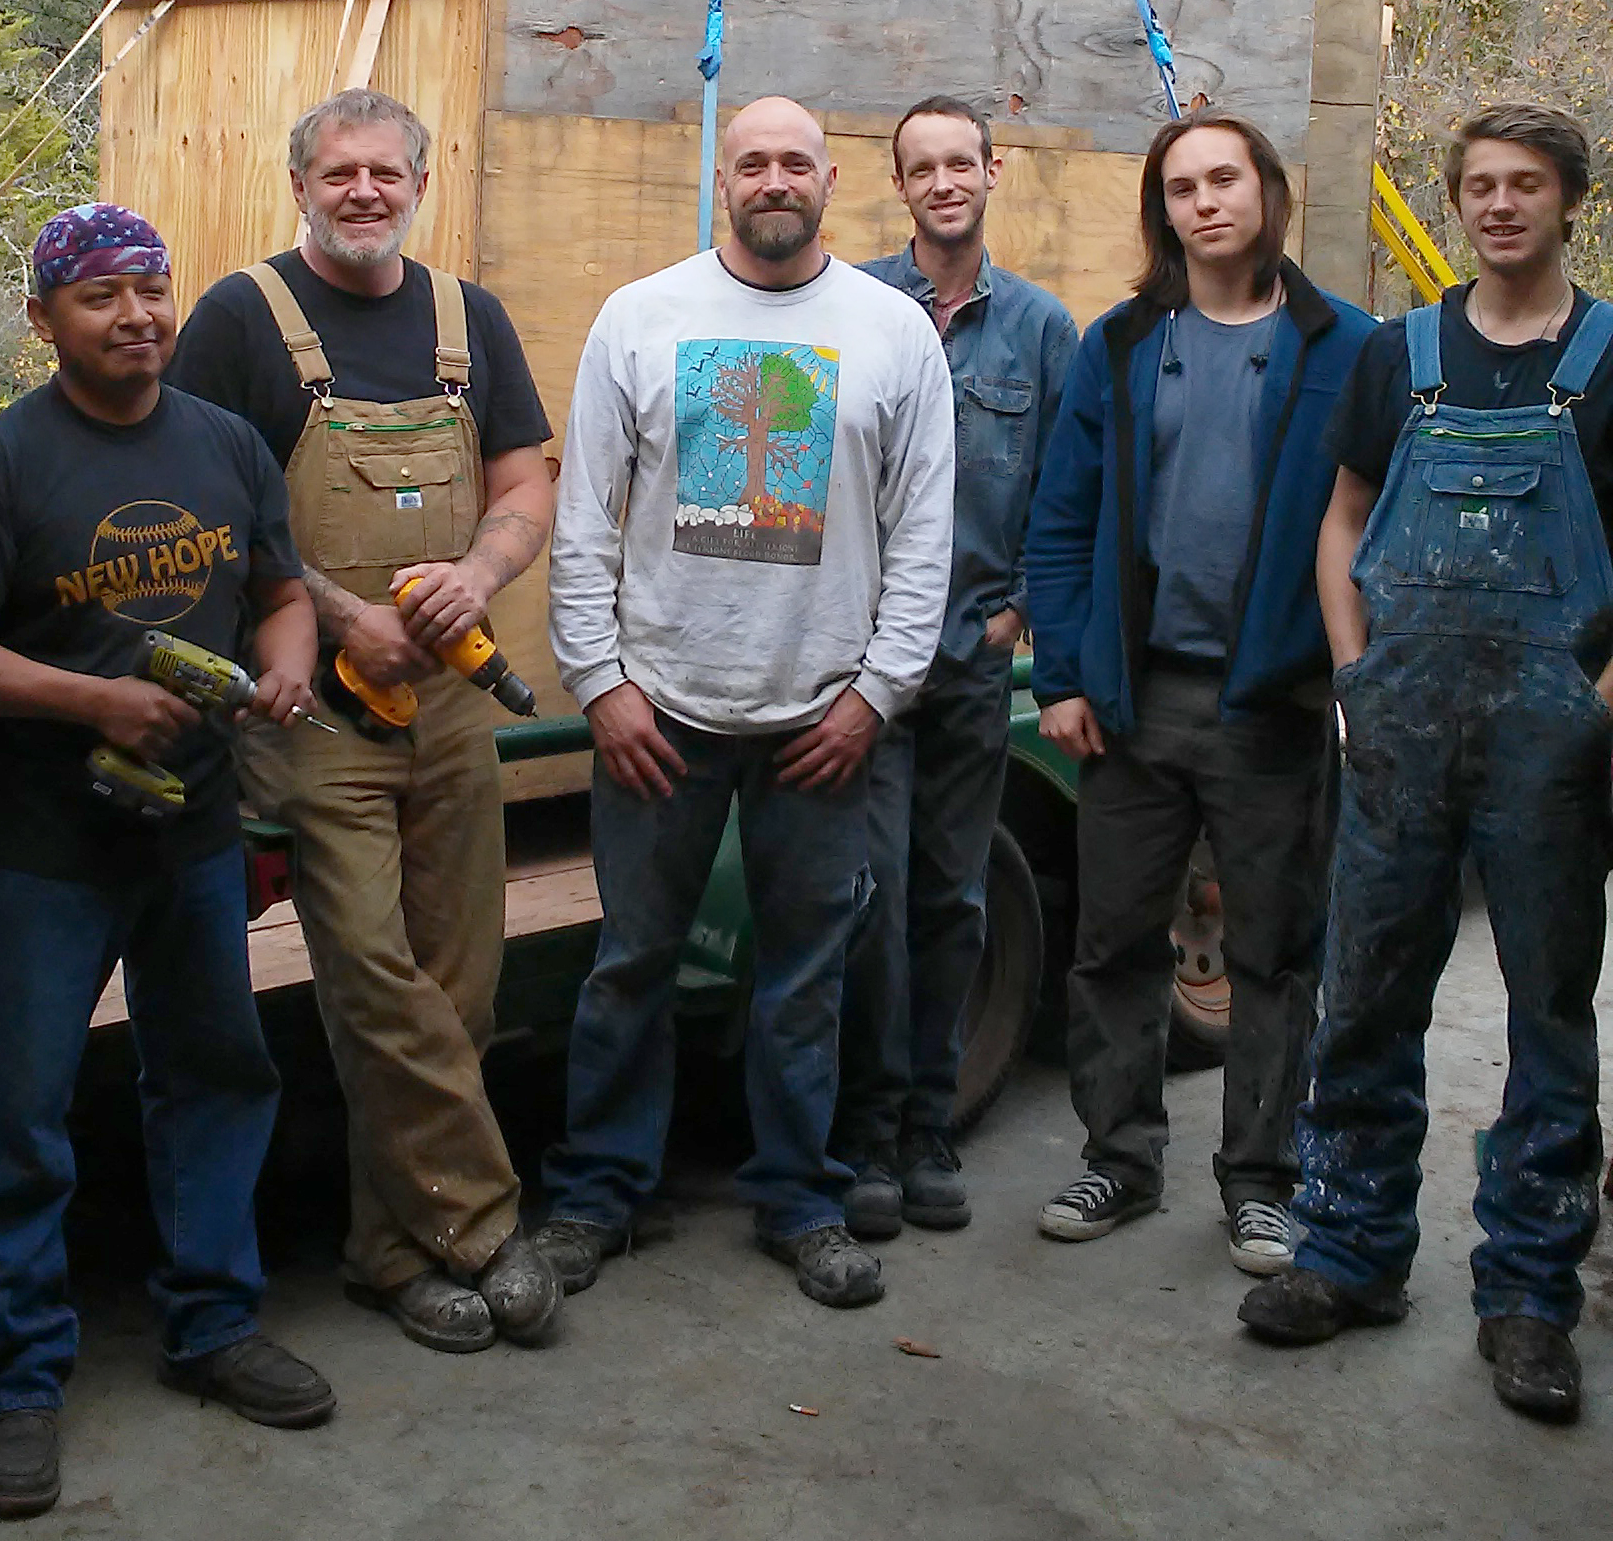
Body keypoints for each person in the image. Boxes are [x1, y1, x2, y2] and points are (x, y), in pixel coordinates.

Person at [0, 206, 335, 1520]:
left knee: (212, 1074)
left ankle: (214, 1320)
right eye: (100, 295)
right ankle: (22, 1376)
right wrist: (90, 703)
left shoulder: (227, 441)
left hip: (193, 829)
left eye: (152, 289)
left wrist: (293, 655)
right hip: (36, 844)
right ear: (44, 320)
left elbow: (278, 584)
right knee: (23, 1110)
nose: (136, 314)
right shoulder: (0, 463)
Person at [533, 96, 956, 1311]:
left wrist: (875, 696)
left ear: (832, 182)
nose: (774, 178)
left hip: (821, 721)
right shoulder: (641, 319)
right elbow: (583, 526)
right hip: (659, 713)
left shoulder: (891, 333)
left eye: (796, 162)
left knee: (805, 977)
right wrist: (601, 687)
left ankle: (800, 1198)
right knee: (631, 965)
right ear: (723, 178)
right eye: (752, 160)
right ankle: (596, 1193)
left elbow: (927, 534)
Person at [167, 89, 560, 1356]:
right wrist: (336, 612)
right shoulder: (242, 318)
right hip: (317, 723)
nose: (364, 192)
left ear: (418, 184)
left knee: (465, 985)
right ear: (301, 185)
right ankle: (490, 1227)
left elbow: (522, 480)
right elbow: (202, 509)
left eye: (387, 172)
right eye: (339, 172)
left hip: (452, 705)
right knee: (376, 979)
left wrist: (479, 575)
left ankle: (394, 1252)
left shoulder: (467, 317)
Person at [1241, 106, 1613, 1427]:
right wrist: (1351, 670)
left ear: (1571, 198)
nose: (1500, 205)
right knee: (1366, 992)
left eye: (1527, 185)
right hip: (1399, 727)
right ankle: (1346, 1251)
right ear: (1457, 204)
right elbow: (1342, 516)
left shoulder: (1609, 355)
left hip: (1549, 746)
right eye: (1479, 186)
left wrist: (1591, 697)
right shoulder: (1401, 354)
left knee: (1548, 1017)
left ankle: (1527, 1292)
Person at [1025, 111, 1371, 1275]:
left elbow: (1376, 523)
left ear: (1268, 191)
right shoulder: (1121, 345)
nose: (1205, 201)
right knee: (1115, 938)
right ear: (1162, 211)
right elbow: (1062, 520)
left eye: (1225, 177)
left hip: (1269, 704)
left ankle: (1263, 1182)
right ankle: (1119, 1157)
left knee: (1273, 951)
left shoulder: (1347, 348)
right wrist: (1065, 676)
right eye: (1182, 187)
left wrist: (1347, 673)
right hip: (1135, 698)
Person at [839, 97, 1077, 1238]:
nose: (943, 181)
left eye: (960, 162)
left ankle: (930, 1126)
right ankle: (868, 1131)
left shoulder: (1040, 331)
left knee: (951, 896)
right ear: (902, 185)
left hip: (970, 657)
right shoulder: (848, 307)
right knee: (867, 896)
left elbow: (1066, 489)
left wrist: (1019, 611)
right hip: (855, 663)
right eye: (920, 166)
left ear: (993, 171)